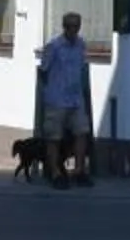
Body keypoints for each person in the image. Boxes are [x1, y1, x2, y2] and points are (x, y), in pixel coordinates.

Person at [36, 12, 94, 187]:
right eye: (69, 26)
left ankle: (79, 170)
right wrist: (51, 91)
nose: (73, 30)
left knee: (81, 132)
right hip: (57, 98)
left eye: (76, 26)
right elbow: (43, 71)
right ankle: (55, 173)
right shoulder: (54, 46)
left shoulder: (81, 45)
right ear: (64, 27)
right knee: (54, 137)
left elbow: (81, 68)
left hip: (76, 98)